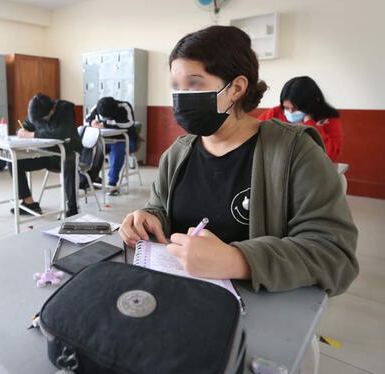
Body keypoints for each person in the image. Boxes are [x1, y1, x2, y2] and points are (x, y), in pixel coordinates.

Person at [119, 26, 358, 296]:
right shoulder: (177, 153)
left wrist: (237, 260)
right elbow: (160, 208)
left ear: (236, 88)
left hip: (256, 311)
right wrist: (150, 218)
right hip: (178, 296)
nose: (182, 97)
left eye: (195, 83)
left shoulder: (295, 152)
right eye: (177, 86)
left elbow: (334, 254)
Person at [12, 93, 82, 217]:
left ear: (52, 110)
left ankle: (72, 208)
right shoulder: (36, 113)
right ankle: (29, 202)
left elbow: (61, 133)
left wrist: (32, 135)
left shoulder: (65, 108)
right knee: (15, 161)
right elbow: (24, 126)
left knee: (69, 161)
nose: (39, 122)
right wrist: (20, 131)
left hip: (68, 152)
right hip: (47, 155)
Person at [258, 76, 343, 161]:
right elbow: (254, 135)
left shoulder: (327, 118)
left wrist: (310, 124)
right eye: (286, 108)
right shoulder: (275, 112)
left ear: (312, 104)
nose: (290, 112)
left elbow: (331, 155)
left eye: (295, 108)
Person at [84, 96, 137, 195]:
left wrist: (106, 124)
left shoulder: (124, 106)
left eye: (108, 117)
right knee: (92, 146)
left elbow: (129, 124)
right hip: (105, 140)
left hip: (125, 140)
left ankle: (112, 183)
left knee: (118, 148)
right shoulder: (98, 106)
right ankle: (92, 178)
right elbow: (86, 120)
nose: (106, 118)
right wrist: (92, 123)